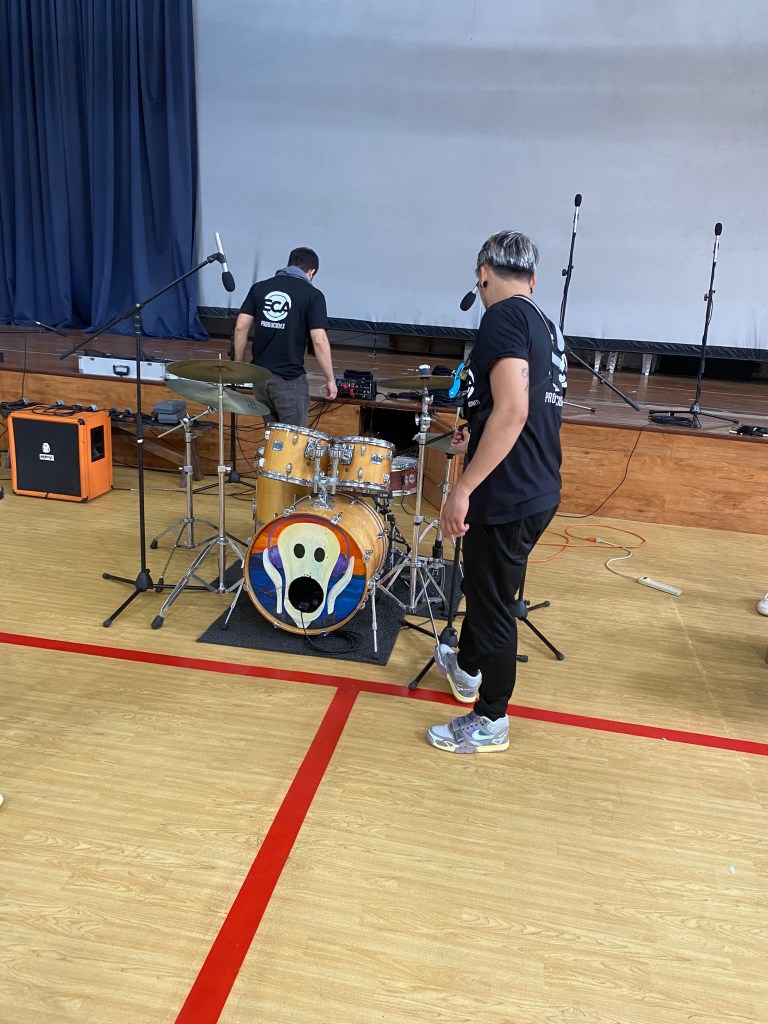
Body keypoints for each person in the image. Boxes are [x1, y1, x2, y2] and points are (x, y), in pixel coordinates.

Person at [426, 230, 567, 754]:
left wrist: (463, 488)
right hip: (537, 484)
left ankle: (490, 719)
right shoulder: (546, 325)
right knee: (484, 586)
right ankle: (466, 668)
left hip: (507, 491)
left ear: (483, 274)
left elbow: (514, 410)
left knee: (493, 608)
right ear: (533, 278)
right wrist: (479, 428)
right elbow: (519, 408)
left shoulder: (502, 317)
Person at [233, 247, 337, 426]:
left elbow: (240, 328)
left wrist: (239, 367)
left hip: (260, 378)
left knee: (272, 436)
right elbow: (319, 341)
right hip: (289, 380)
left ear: (289, 264)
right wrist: (330, 379)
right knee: (291, 439)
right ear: (311, 272)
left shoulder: (260, 288)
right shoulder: (313, 295)